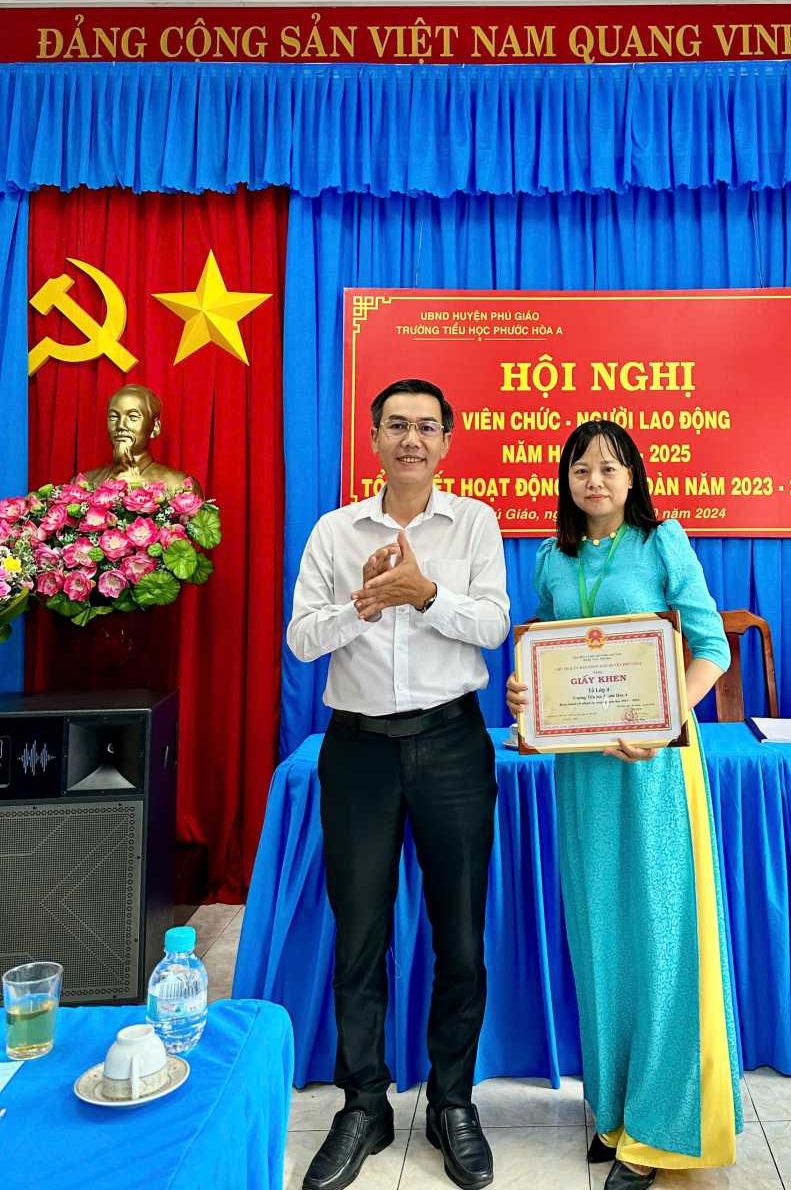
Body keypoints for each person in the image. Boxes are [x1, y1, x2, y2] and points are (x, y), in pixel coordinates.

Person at [507, 420, 743, 1189]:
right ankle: (612, 1113)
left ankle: (661, 1130)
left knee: (661, 938)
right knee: (600, 936)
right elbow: (546, 660)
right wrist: (523, 694)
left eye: (610, 468)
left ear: (633, 477)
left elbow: (711, 648)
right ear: (565, 481)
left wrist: (665, 717)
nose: (595, 480)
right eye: (581, 468)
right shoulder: (550, 559)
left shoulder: (661, 542)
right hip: (581, 774)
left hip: (654, 767)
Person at [287, 378, 509, 1190]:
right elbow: (301, 640)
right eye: (395, 426)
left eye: (425, 427)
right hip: (358, 753)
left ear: (446, 440)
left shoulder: (474, 522)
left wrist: (427, 594)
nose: (410, 439)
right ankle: (363, 1104)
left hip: (451, 744)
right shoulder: (335, 530)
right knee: (359, 936)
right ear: (374, 438)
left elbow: (494, 625)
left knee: (460, 937)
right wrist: (366, 605)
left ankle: (453, 1101)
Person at [83, 384, 202, 494]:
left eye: (132, 417)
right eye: (114, 417)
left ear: (155, 427)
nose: (120, 425)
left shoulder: (180, 485)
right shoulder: (85, 482)